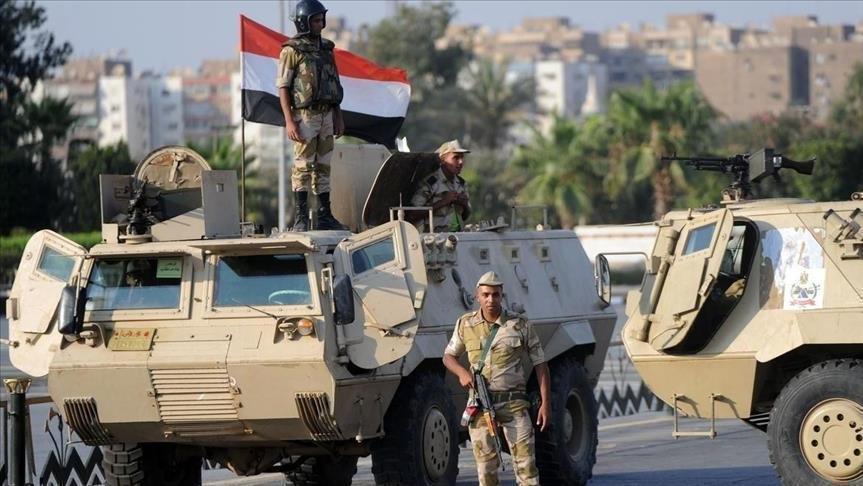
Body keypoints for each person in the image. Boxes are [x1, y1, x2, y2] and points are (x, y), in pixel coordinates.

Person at [443, 271, 551, 486]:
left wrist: (545, 404)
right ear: (477, 296)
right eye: (485, 295)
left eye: (495, 294)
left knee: (527, 470)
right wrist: (462, 373)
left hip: (514, 405)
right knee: (486, 473)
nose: (490, 299)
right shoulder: (465, 324)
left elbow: (541, 364)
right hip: (480, 407)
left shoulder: (519, 324)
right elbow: (448, 356)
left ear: (502, 295)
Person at [277, 0, 347, 231]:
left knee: (324, 166)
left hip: (327, 114)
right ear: (304, 22)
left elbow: (334, 83)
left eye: (321, 20)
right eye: (316, 20)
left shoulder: (326, 48)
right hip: (305, 116)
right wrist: (289, 121)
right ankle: (301, 218)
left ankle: (325, 216)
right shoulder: (291, 51)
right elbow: (283, 87)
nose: (320, 24)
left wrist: (338, 116)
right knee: (303, 166)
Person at [410, 139, 472, 232]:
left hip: (457, 236)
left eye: (462, 157)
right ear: (443, 160)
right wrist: (443, 202)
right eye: (456, 157)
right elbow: (413, 214)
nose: (460, 162)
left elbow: (465, 216)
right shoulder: (430, 183)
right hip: (435, 238)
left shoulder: (461, 183)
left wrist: (464, 204)